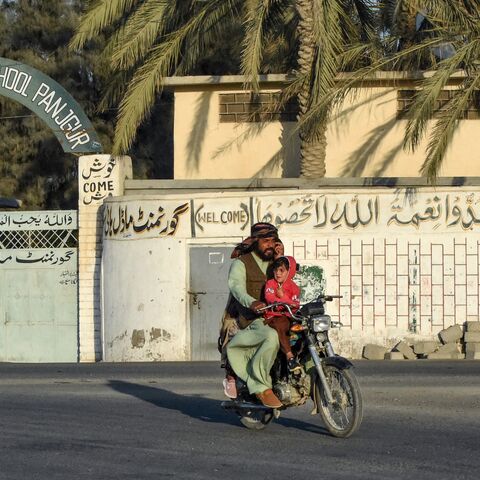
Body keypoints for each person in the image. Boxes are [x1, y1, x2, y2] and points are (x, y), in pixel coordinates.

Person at [225, 222, 283, 409]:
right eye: (266, 241)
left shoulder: (277, 262)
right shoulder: (241, 264)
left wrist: (281, 259)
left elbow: (290, 282)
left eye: (273, 241)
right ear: (255, 241)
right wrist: (252, 302)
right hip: (252, 318)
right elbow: (237, 288)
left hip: (277, 314)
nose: (270, 245)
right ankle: (261, 386)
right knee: (271, 336)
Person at [263, 256, 302, 373]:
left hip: (289, 317)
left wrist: (283, 297)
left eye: (282, 270)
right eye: (276, 270)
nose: (278, 274)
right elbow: (269, 298)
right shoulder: (270, 284)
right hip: (273, 316)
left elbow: (296, 305)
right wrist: (284, 300)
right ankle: (290, 357)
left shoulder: (294, 288)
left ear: (289, 271)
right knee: (281, 324)